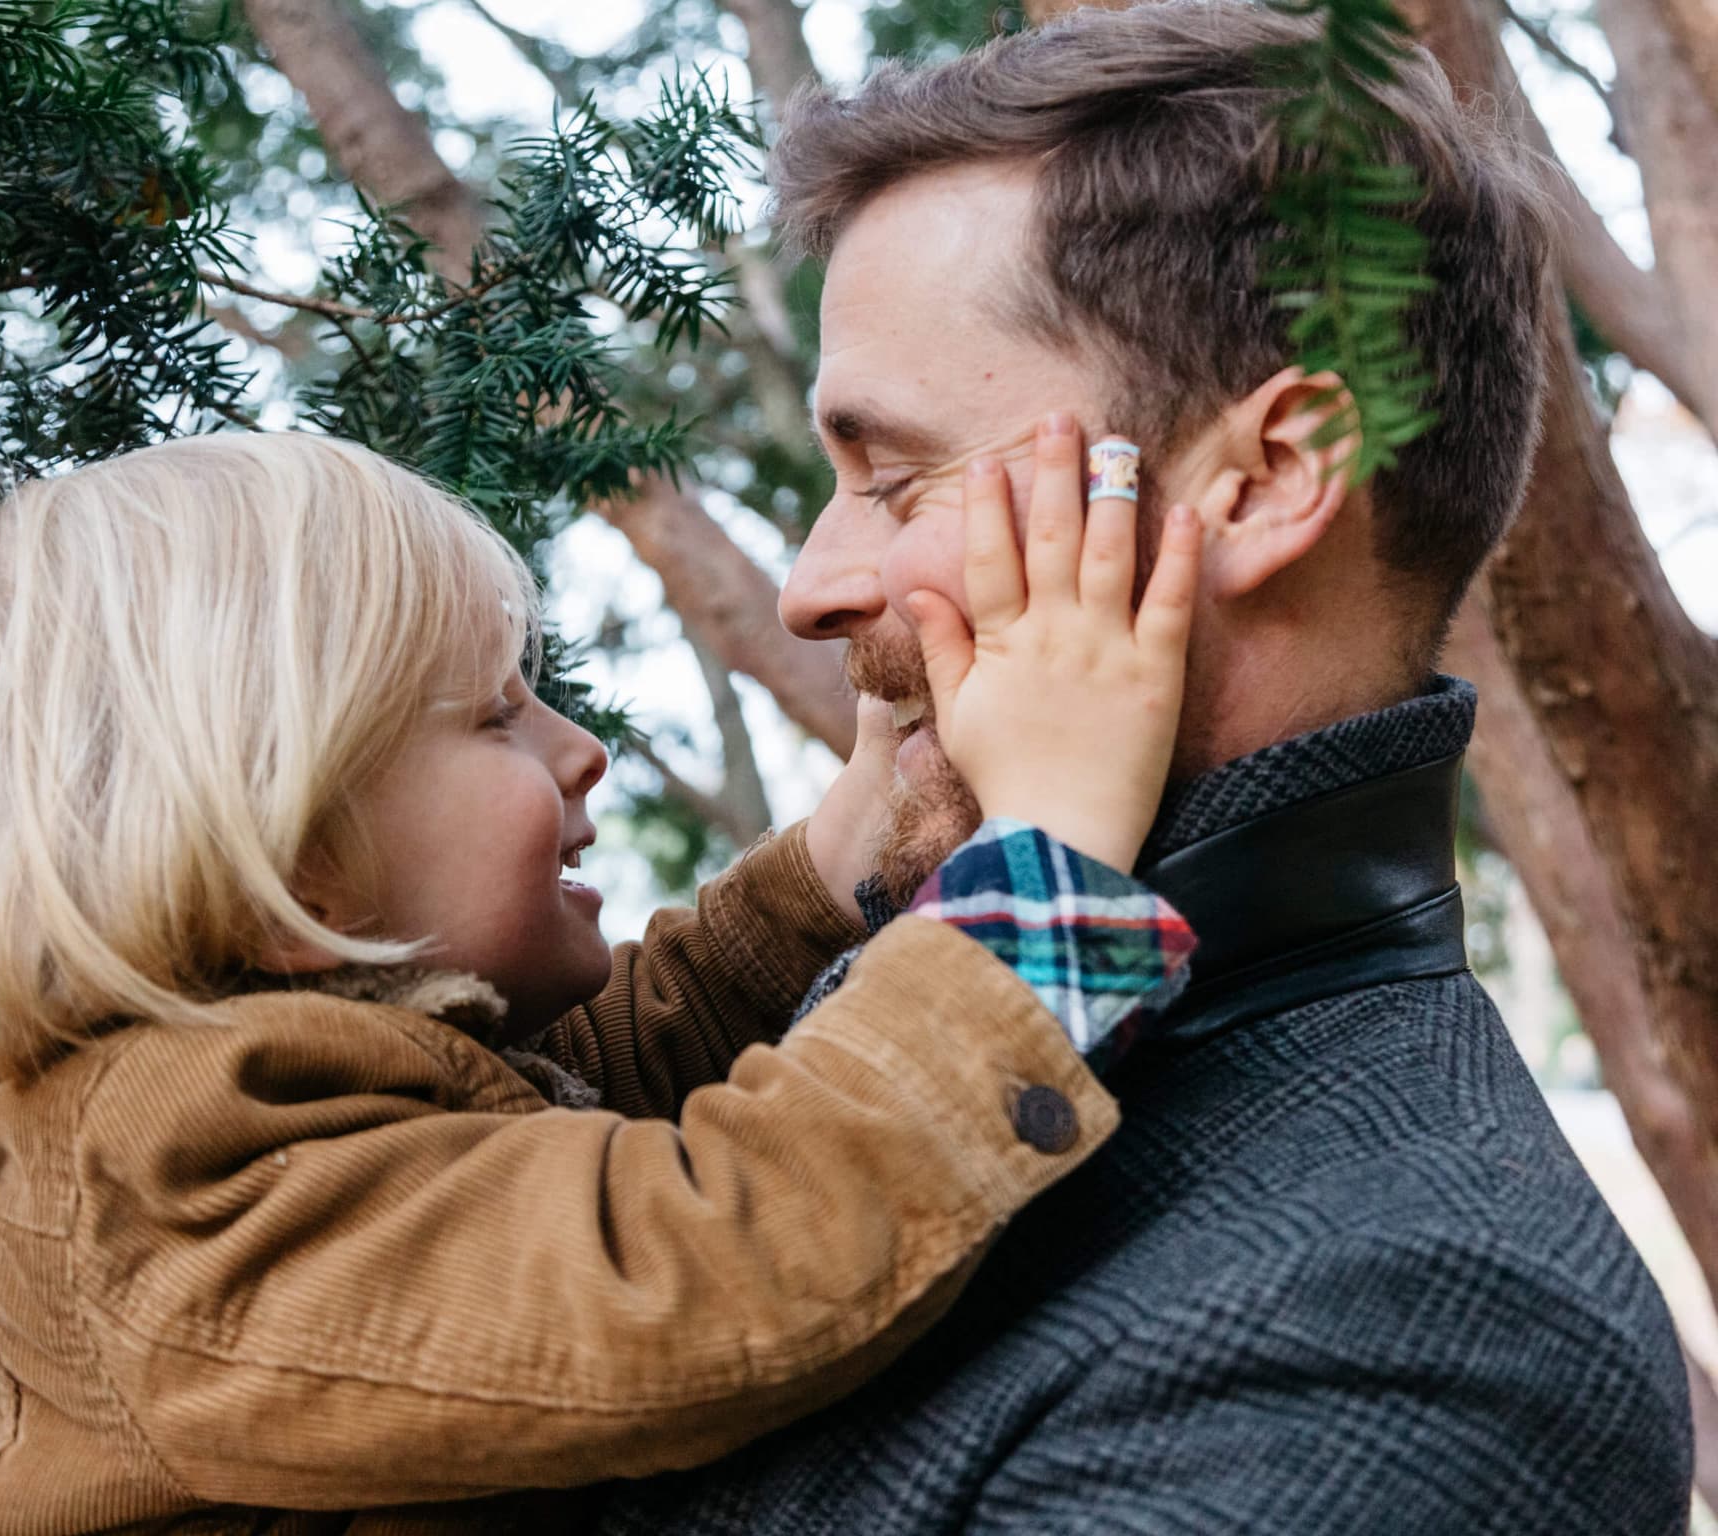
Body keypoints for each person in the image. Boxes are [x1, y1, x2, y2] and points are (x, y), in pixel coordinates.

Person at [597, 6, 1695, 1533]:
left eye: (895, 475)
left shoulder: (1416, 1332)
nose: (812, 585)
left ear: (1260, 483)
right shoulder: (871, 1019)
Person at [0, 426, 1205, 1534]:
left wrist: (874, 805)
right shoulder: (181, 1190)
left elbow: (647, 1048)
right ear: (286, 867)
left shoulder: (325, 1087)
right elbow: (696, 1269)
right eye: (496, 715)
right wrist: (1047, 853)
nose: (581, 748)